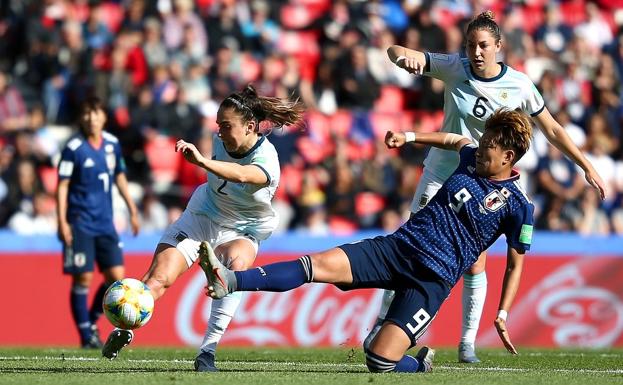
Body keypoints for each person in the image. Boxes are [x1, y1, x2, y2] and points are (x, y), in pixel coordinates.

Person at [202, 108, 534, 373]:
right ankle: (230, 280)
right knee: (313, 265)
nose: (480, 150)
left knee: (379, 361)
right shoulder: (470, 159)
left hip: (431, 281)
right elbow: (456, 139)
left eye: (488, 146)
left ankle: (416, 363)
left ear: (507, 156)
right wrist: (409, 136)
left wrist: (502, 313)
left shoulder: (519, 207)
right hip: (397, 249)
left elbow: (515, 264)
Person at [371, 10, 606, 363]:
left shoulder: (521, 85)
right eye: (470, 45)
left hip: (482, 180)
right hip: (440, 173)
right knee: (407, 249)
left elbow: (553, 129)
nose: (476, 52)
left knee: (475, 262)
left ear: (499, 46)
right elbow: (395, 50)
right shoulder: (454, 67)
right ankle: (379, 327)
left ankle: (467, 345)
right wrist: (401, 56)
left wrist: (586, 166)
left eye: (483, 45)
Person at [101, 85, 305, 371]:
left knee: (234, 266)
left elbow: (244, 174)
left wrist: (202, 162)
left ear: (249, 126)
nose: (220, 132)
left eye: (226, 125)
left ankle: (207, 352)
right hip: (202, 216)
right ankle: (126, 327)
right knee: (159, 279)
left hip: (243, 227)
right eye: (218, 125)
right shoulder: (221, 139)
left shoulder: (267, 157)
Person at [57, 97, 140, 348]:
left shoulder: (112, 144)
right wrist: (61, 221)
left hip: (106, 223)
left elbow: (120, 177)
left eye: (96, 113)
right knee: (83, 278)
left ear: (104, 117)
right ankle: (85, 335)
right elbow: (62, 186)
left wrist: (132, 209)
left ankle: (91, 323)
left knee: (115, 279)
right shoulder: (73, 147)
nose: (91, 118)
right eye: (86, 113)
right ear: (81, 118)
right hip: (80, 222)